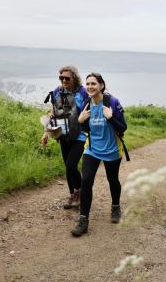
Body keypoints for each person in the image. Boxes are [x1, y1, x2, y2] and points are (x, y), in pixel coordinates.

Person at [71, 72, 127, 237]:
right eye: (88, 84)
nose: (90, 87)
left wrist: (110, 118)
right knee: (86, 181)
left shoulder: (112, 103)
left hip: (112, 149)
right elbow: (86, 129)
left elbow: (122, 128)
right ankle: (83, 220)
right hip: (92, 149)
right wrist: (80, 122)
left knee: (112, 179)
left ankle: (115, 206)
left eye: (93, 84)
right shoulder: (87, 104)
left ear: (101, 85)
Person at [41, 66, 89, 209]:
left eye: (67, 78)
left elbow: (89, 111)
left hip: (79, 135)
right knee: (68, 168)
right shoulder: (57, 91)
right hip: (62, 134)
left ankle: (79, 192)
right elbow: (53, 112)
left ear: (74, 78)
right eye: (61, 78)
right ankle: (73, 195)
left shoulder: (83, 93)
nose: (64, 80)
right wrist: (46, 133)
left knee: (71, 165)